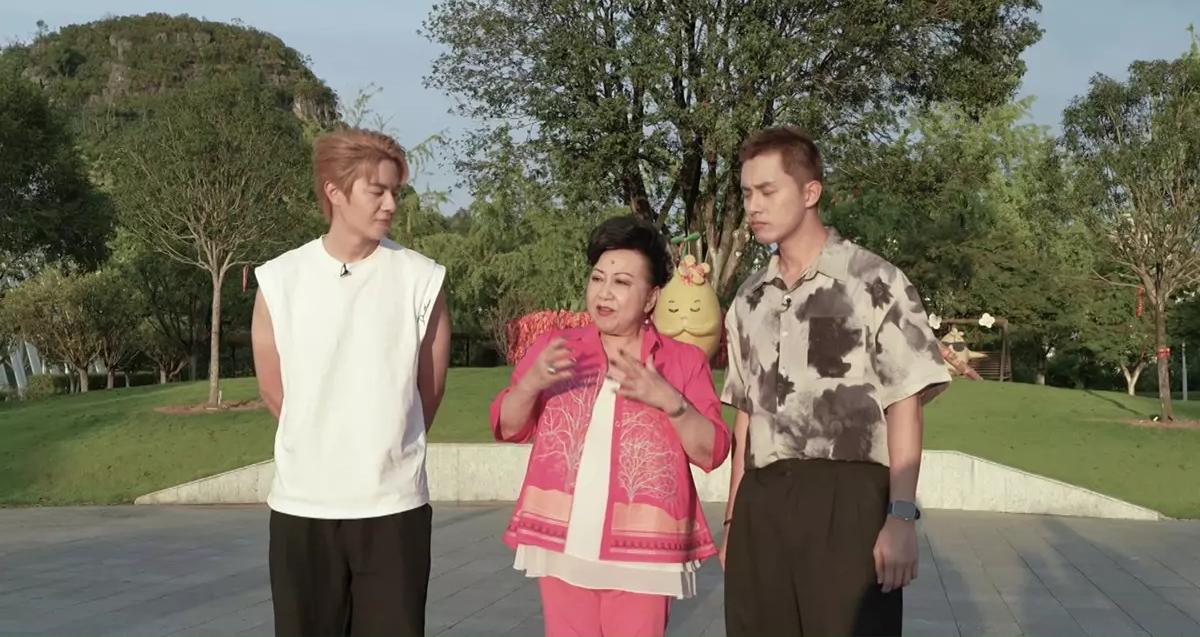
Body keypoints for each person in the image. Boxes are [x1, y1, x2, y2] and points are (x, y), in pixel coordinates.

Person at [720, 126, 952, 637]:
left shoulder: (875, 282)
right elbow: (746, 417)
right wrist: (734, 520)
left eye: (767, 191)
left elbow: (905, 403)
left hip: (847, 501)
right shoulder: (748, 299)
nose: (753, 206)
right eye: (747, 193)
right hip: (761, 503)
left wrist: (901, 516)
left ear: (810, 192)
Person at [490, 215, 731, 637]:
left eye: (621, 282)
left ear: (652, 297)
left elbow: (713, 451)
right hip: (563, 543)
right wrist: (530, 385)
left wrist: (670, 402)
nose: (604, 292)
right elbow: (507, 426)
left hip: (645, 551)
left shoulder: (682, 361)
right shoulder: (556, 349)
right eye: (598, 278)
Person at [251, 128, 451, 637]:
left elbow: (428, 391)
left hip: (394, 507)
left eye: (395, 192)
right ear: (334, 191)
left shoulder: (422, 278)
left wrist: (384, 448)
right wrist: (320, 442)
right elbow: (275, 391)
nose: (390, 205)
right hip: (302, 507)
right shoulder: (280, 279)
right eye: (376, 191)